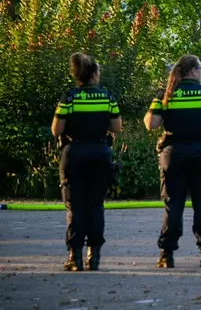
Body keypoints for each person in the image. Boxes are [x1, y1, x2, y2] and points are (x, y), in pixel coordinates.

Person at [143, 55, 201, 268]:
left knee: (173, 205)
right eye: (200, 68)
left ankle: (166, 254)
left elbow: (151, 124)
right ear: (193, 71)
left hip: (174, 154)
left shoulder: (166, 95)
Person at [51, 52, 122, 271]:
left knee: (75, 206)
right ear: (93, 74)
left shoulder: (69, 97)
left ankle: (75, 257)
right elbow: (117, 127)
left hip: (75, 154)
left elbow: (57, 129)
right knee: (96, 206)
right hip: (100, 153)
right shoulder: (107, 97)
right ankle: (95, 255)